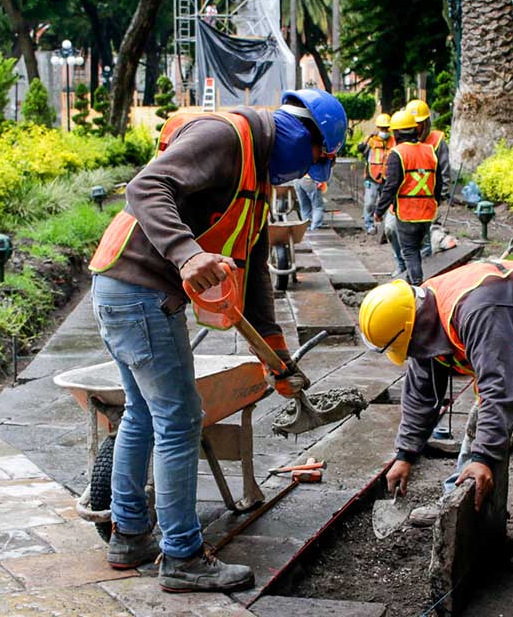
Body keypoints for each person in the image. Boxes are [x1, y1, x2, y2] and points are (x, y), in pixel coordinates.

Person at [87, 89, 346, 592]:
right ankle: (182, 556)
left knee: (143, 412)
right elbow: (145, 188)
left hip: (128, 293)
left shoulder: (257, 178)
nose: (303, 175)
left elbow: (251, 272)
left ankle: (129, 536)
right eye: (315, 162)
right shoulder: (225, 135)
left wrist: (274, 349)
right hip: (139, 293)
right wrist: (186, 255)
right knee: (180, 419)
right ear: (303, 133)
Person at [357, 259, 513, 572]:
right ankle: (457, 504)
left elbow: (498, 387)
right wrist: (405, 454)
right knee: (483, 422)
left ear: (411, 328)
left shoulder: (476, 310)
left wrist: (485, 458)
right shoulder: (420, 315)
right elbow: (422, 394)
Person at [374, 110, 440, 285]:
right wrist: (434, 202)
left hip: (408, 212)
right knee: (422, 250)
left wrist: (379, 211)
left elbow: (391, 186)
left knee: (410, 251)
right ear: (416, 130)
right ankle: (415, 284)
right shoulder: (429, 151)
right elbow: (438, 183)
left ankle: (418, 287)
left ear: (396, 133)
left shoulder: (398, 153)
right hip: (427, 212)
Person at [405, 100, 452, 257]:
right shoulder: (405, 142)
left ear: (425, 123)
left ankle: (425, 269)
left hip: (429, 200)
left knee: (425, 236)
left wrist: (440, 198)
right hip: (408, 200)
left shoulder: (437, 142)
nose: (414, 127)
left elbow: (445, 173)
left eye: (417, 123)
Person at [356, 114, 393, 234]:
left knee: (387, 203)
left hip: (387, 178)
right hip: (372, 177)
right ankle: (369, 225)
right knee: (370, 203)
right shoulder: (372, 141)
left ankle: (385, 227)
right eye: (382, 128)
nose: (384, 131)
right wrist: (367, 138)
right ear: (377, 128)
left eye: (386, 128)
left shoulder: (393, 142)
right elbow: (360, 148)